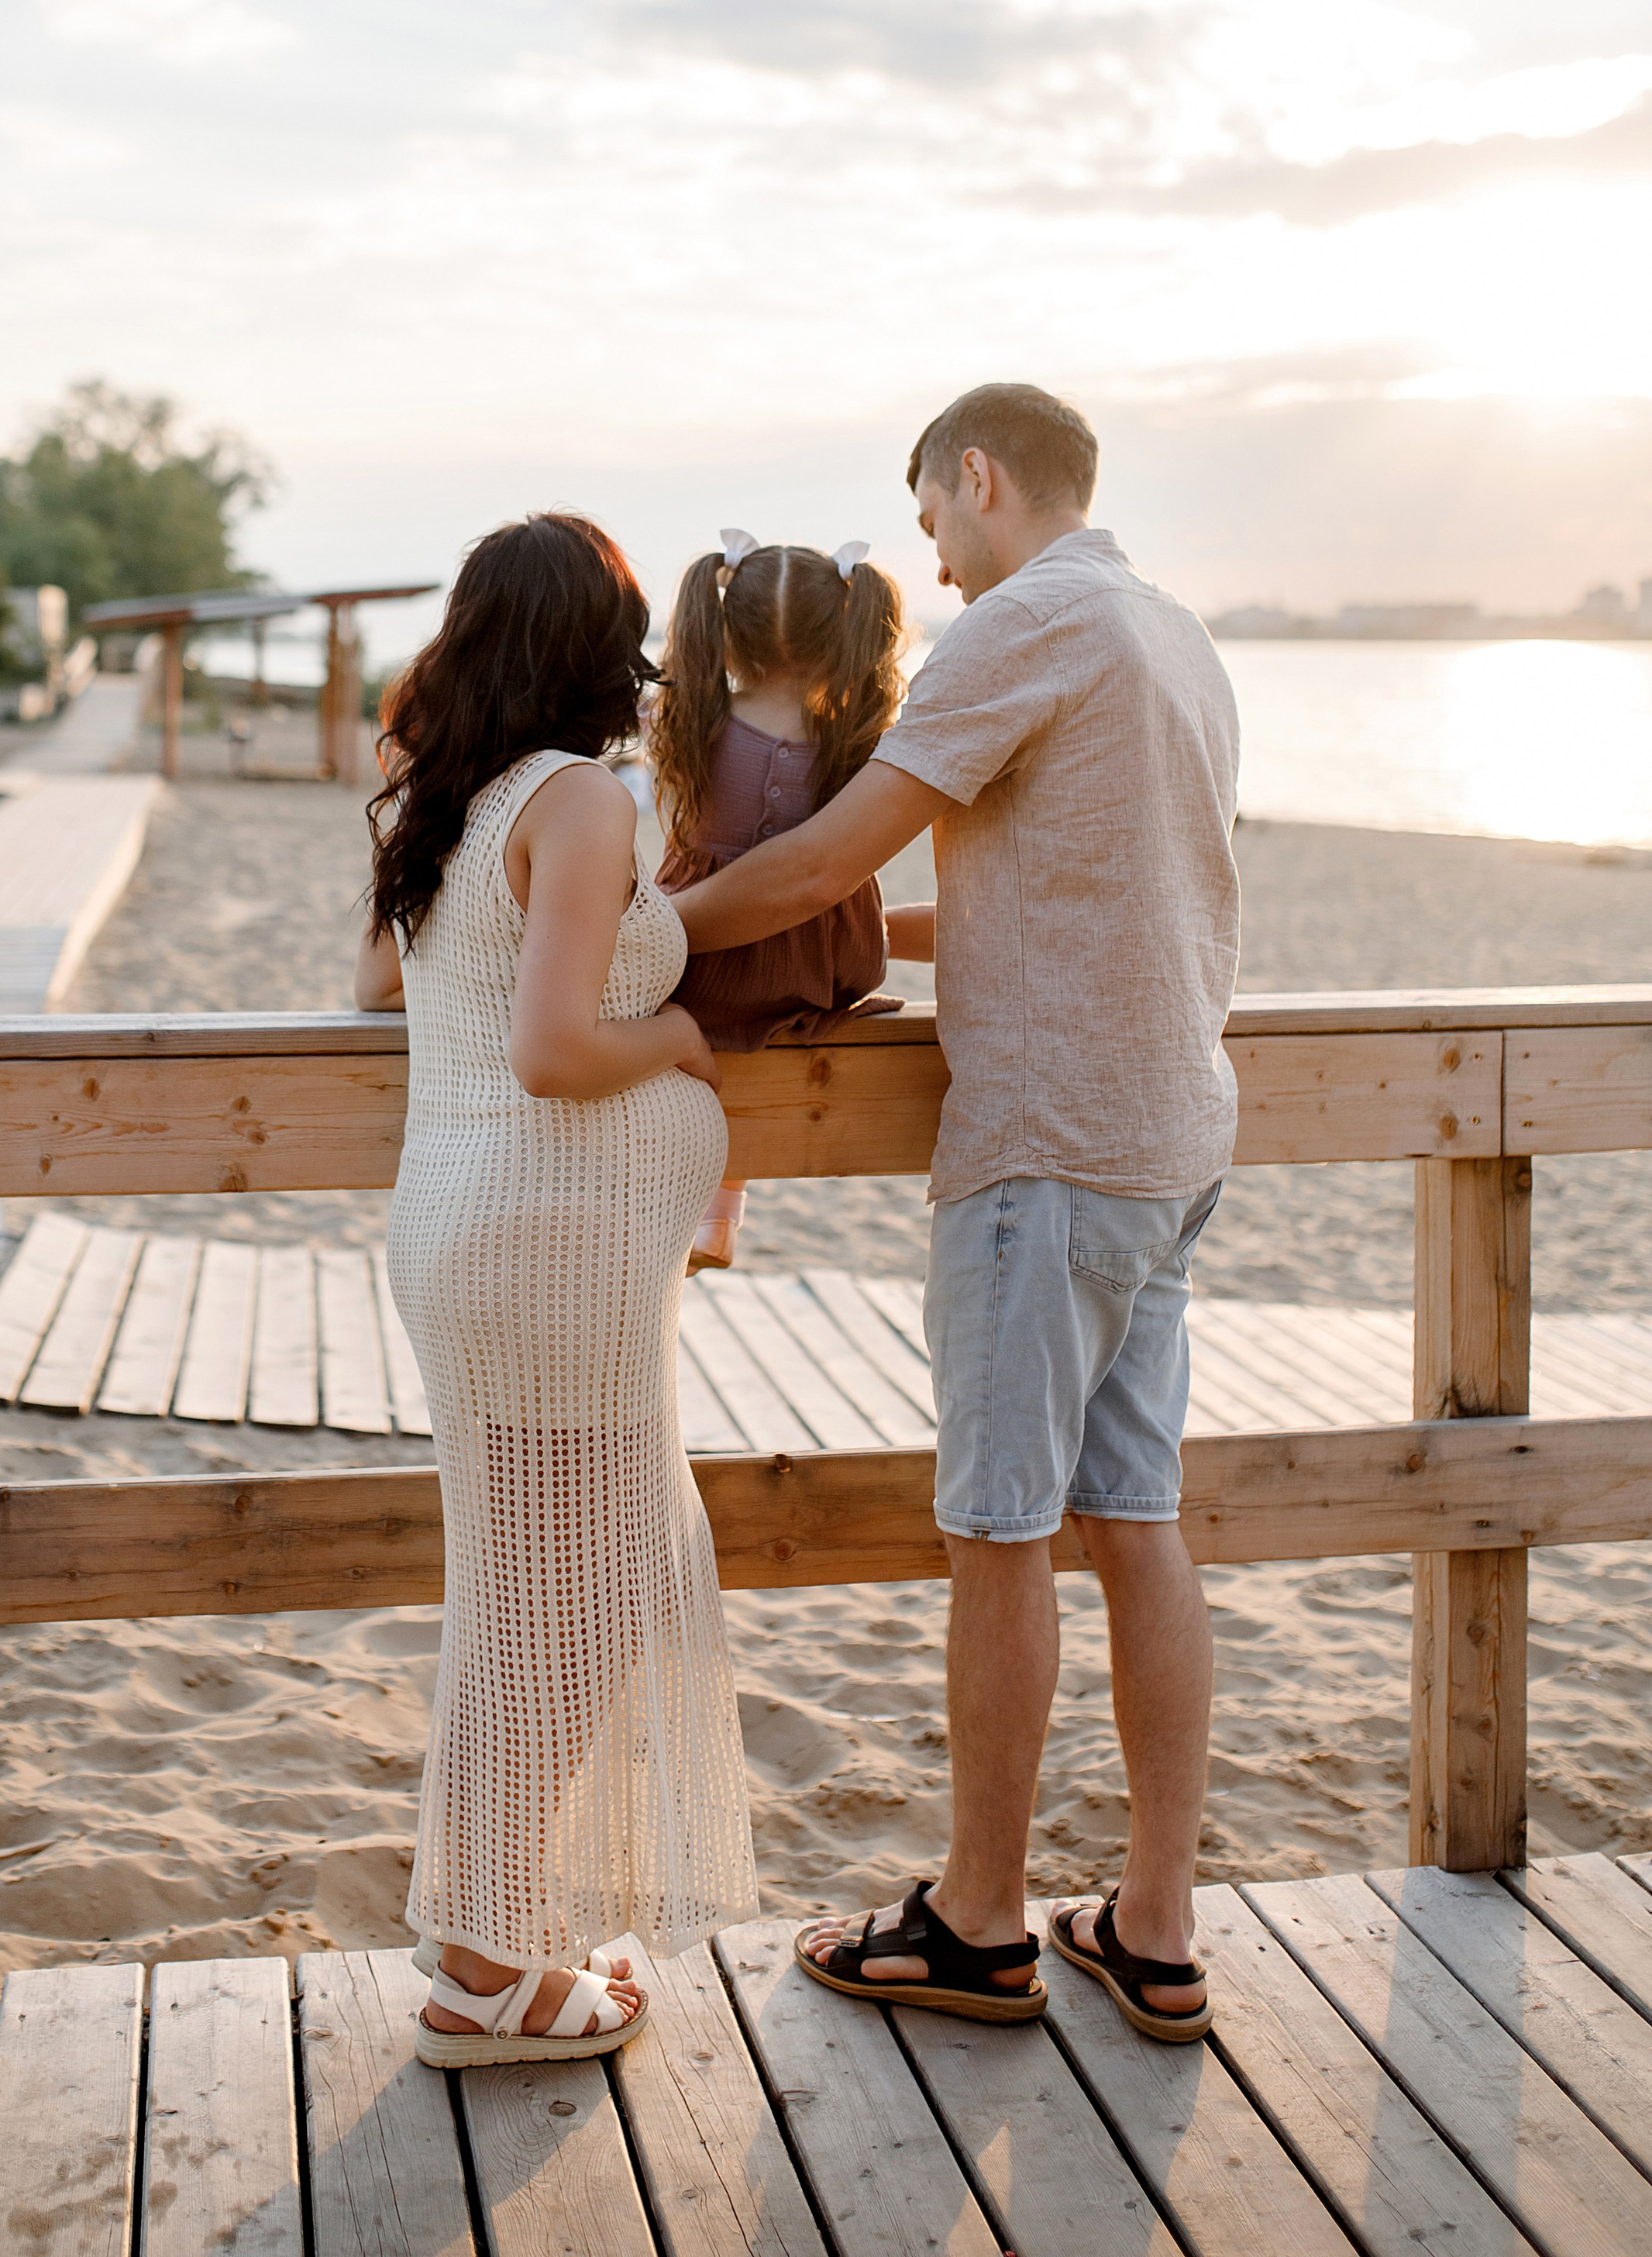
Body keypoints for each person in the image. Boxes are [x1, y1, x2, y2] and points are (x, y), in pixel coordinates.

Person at [669, 384, 1239, 2041]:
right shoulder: (1171, 633)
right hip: (1170, 1142)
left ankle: (980, 1921)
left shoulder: (1023, 622)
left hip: (1045, 1150)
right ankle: (1152, 1925)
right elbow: (1062, 890)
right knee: (1135, 1522)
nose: (931, 558)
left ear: (978, 476)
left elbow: (813, 862)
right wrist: (858, 937)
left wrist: (629, 934)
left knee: (996, 1534)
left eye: (931, 518)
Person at [356, 511, 758, 2068]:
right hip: (545, 1256)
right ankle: (482, 1968)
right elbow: (551, 1050)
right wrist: (674, 1041)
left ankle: (494, 1928)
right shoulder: (578, 800)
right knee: (567, 1617)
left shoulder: (450, 799)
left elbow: (396, 992)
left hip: (473, 1235)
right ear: (597, 642)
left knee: (518, 1604)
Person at [647, 527, 907, 1270]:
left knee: (672, 1030)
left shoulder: (687, 718)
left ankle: (698, 1217)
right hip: (821, 961)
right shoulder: (857, 736)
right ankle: (721, 1222)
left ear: (727, 634)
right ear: (839, 636)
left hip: (705, 959)